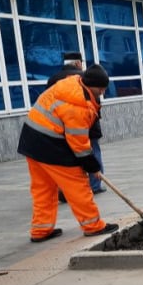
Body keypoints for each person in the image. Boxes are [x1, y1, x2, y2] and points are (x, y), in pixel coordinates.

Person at [18, 64, 118, 242]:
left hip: (32, 141)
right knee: (78, 186)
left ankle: (41, 230)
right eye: (101, 88)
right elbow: (79, 144)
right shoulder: (77, 105)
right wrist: (92, 166)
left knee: (43, 188)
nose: (102, 92)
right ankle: (93, 226)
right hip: (52, 146)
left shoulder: (73, 83)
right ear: (92, 85)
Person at [47, 52, 106, 198]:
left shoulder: (53, 79)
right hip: (84, 126)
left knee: (68, 159)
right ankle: (94, 185)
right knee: (91, 152)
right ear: (78, 63)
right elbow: (95, 102)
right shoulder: (85, 79)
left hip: (58, 128)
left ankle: (64, 189)